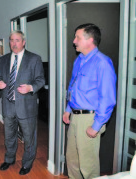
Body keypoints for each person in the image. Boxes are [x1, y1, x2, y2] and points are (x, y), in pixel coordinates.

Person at [63, 23, 116, 179]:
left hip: (89, 119)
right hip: (74, 116)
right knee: (72, 160)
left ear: (90, 40)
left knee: (88, 165)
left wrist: (96, 126)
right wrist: (68, 109)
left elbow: (108, 99)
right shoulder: (79, 60)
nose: (74, 41)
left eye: (77, 37)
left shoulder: (103, 63)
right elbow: (72, 87)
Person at [0, 30, 45, 175]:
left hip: (26, 107)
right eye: (11, 40)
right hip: (8, 105)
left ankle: (27, 163)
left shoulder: (34, 59)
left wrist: (30, 87)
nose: (14, 43)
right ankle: (9, 159)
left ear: (23, 42)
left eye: (17, 40)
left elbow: (40, 80)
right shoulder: (3, 60)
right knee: (9, 136)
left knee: (29, 138)